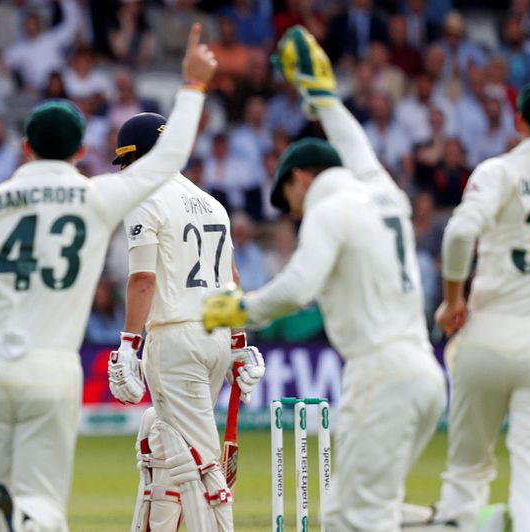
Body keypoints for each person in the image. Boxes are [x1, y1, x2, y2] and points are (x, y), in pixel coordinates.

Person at [0, 25, 216, 532]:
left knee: (0, 495)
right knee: (42, 505)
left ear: (27, 147)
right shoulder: (96, 196)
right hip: (52, 371)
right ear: (81, 151)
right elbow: (169, 158)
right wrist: (191, 87)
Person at [202, 26, 446, 531]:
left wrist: (240, 308)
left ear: (302, 178)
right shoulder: (384, 193)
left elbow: (298, 287)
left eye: (288, 197)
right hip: (423, 375)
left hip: (380, 375)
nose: (293, 211)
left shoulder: (330, 207)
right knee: (366, 512)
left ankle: (470, 525)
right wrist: (324, 97)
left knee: (347, 521)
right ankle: (463, 523)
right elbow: (357, 147)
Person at [427, 79, 530, 532]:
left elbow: (459, 234)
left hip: (487, 338)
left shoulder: (501, 170)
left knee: (465, 474)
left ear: (518, 121)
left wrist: (452, 302)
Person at [107, 111, 265, 531]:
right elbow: (232, 280)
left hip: (175, 340)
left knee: (200, 463)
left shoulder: (146, 198)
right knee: (158, 435)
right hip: (213, 339)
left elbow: (143, 277)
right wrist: (238, 344)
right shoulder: (211, 202)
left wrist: (127, 343)